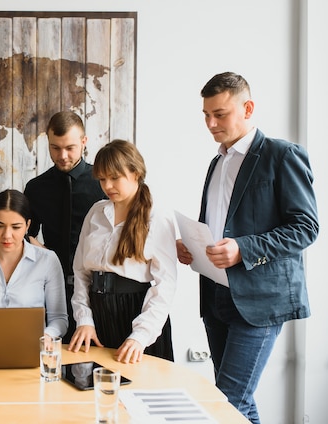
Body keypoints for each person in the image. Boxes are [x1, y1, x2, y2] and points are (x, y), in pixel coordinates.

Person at [176, 72, 319, 424]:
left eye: (220, 114)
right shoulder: (217, 162)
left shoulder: (282, 155)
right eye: (206, 115)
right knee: (238, 403)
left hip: (260, 301)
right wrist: (193, 247)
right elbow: (220, 225)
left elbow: (306, 227)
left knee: (224, 401)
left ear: (248, 108)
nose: (210, 123)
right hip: (216, 297)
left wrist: (244, 249)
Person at [68, 139, 176, 364]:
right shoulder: (96, 212)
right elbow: (80, 272)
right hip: (97, 318)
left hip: (137, 317)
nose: (107, 186)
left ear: (135, 173)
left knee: (140, 393)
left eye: (115, 178)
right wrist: (84, 319)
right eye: (102, 179)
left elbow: (165, 285)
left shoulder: (157, 218)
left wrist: (140, 336)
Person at [24, 111, 106, 342]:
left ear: (84, 142)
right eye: (55, 148)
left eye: (69, 147)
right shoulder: (36, 187)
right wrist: (42, 250)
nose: (62, 156)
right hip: (51, 286)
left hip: (99, 289)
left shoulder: (103, 182)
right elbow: (24, 234)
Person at [0, 189, 68, 338]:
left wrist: (46, 336)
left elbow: (59, 319)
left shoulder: (47, 260)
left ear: (27, 226)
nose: (7, 235)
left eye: (16, 227)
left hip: (33, 347)